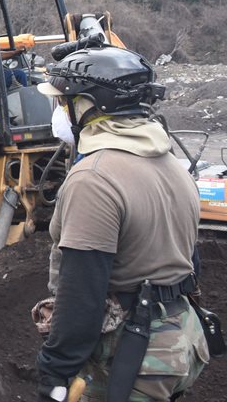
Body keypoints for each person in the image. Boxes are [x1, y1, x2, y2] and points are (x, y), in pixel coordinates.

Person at [35, 46, 208, 402]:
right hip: (179, 341)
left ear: (85, 107)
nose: (58, 112)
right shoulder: (172, 165)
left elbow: (82, 294)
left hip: (135, 352)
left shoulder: (94, 180)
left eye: (63, 103)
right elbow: (191, 261)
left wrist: (55, 372)